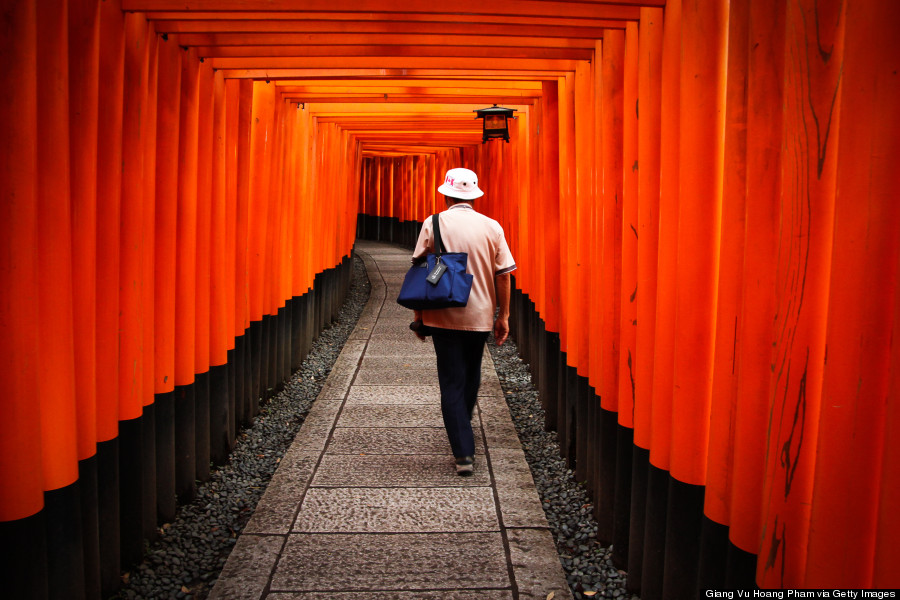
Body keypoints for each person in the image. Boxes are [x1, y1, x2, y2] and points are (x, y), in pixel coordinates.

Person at [410, 167, 517, 476]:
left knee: (451, 380)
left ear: (446, 194)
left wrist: (419, 317)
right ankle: (462, 430)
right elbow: (505, 275)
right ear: (474, 195)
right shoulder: (492, 226)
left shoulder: (433, 223)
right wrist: (504, 315)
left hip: (442, 314)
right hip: (481, 315)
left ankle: (463, 452)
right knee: (471, 374)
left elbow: (419, 269)